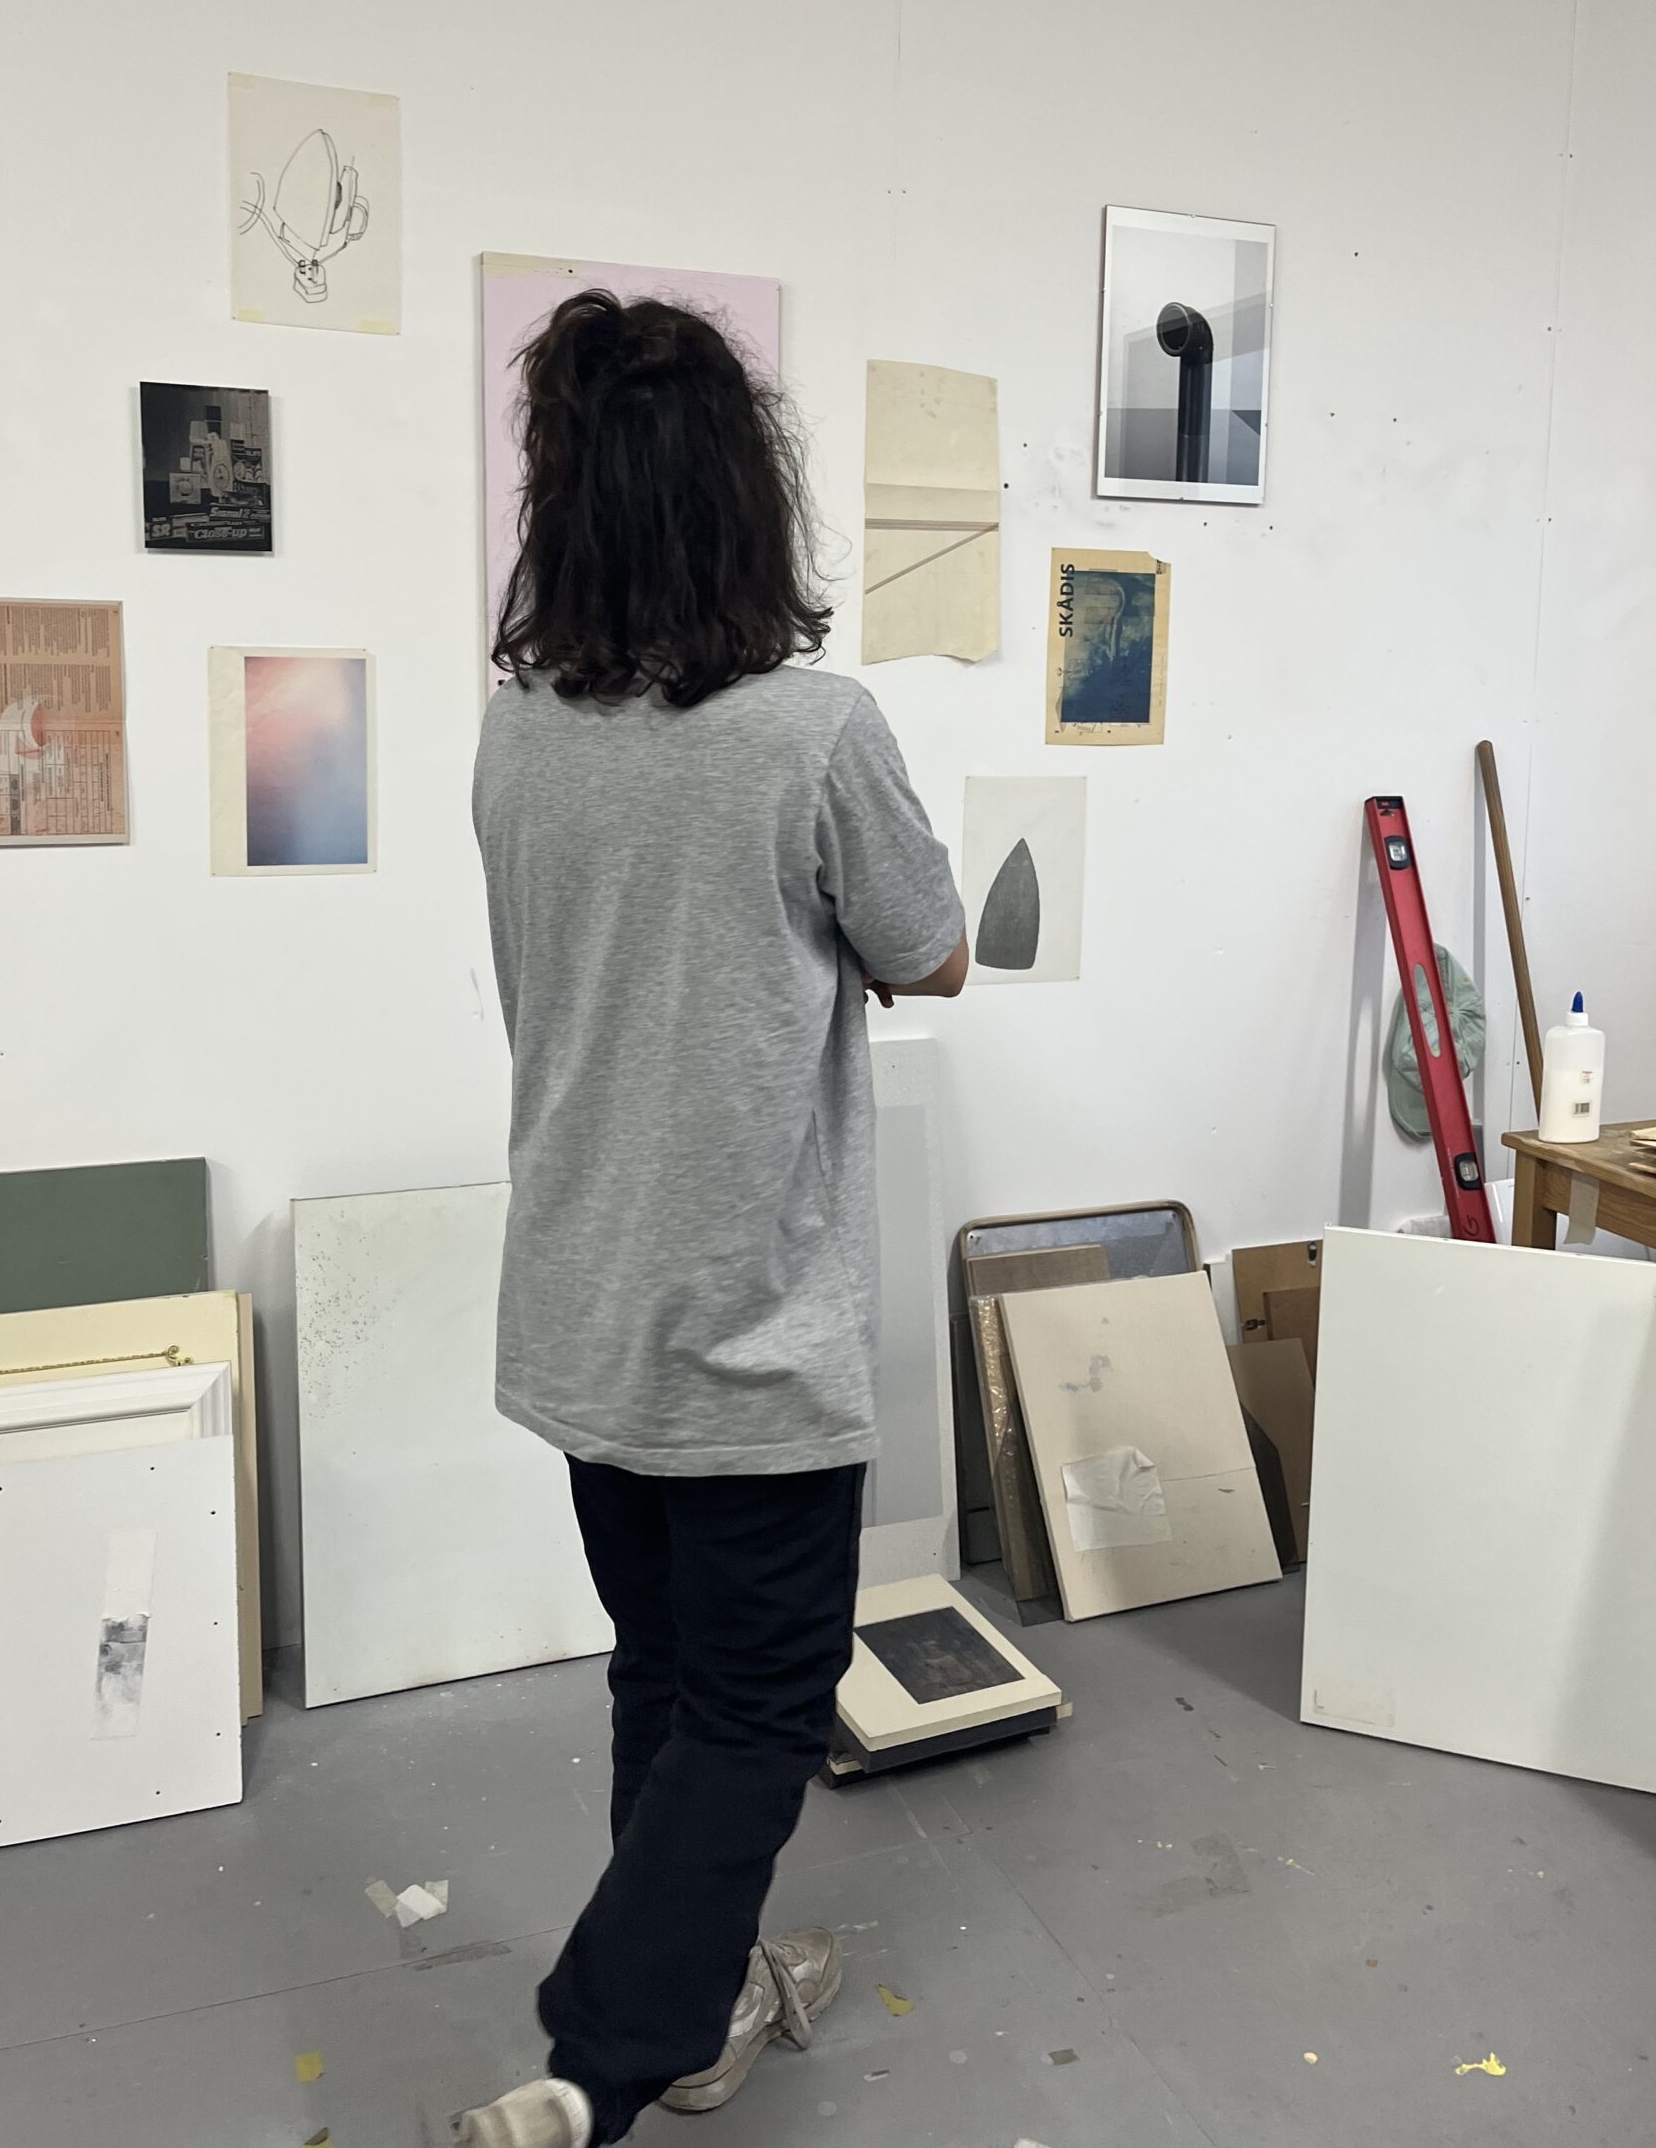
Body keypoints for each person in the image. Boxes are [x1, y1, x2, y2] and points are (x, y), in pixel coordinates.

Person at [459, 291, 968, 2148]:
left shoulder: (516, 737)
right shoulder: (815, 734)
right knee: (759, 1703)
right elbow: (934, 949)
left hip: (583, 1308)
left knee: (663, 1677)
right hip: (752, 1330)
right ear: (746, 499)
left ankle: (699, 2002)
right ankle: (606, 2053)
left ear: (567, 504)